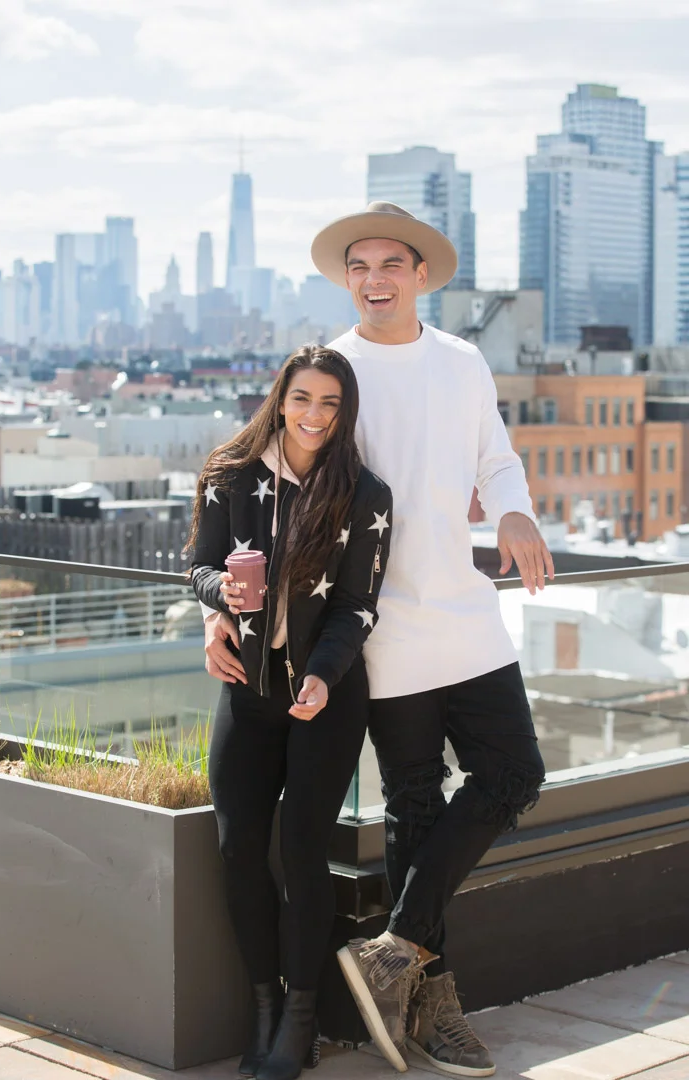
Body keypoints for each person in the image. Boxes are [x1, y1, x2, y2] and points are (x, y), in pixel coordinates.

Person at [304, 201, 554, 1077]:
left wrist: (515, 511)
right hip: (380, 622)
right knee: (413, 804)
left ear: (419, 275)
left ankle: (395, 947)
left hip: (465, 608)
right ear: (347, 279)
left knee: (515, 771)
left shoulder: (462, 360)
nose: (374, 280)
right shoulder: (334, 369)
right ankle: (429, 1003)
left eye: (390, 265)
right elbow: (289, 474)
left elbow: (496, 458)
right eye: (359, 266)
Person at [189, 345, 392, 1080]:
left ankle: (301, 1019)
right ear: (281, 399)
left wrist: (324, 677)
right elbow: (198, 565)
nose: (314, 415)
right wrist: (219, 601)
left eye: (330, 403)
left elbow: (357, 605)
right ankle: (265, 1005)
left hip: (324, 701)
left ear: (345, 413)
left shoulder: (364, 494)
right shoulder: (229, 475)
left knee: (304, 853)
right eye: (303, 398)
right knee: (239, 847)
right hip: (246, 690)